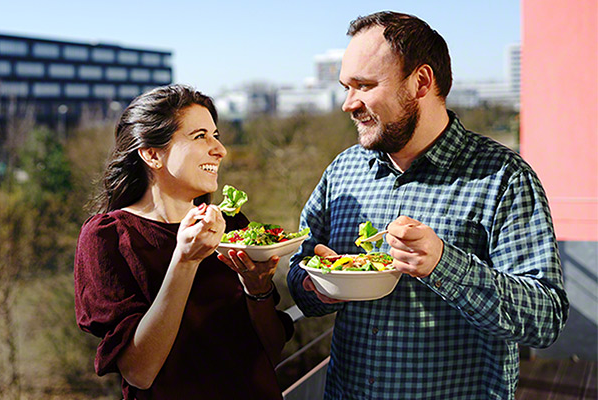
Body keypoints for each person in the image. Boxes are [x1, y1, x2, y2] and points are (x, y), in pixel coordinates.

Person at [287, 11, 569, 400]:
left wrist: (443, 263)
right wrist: (320, 286)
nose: (349, 104)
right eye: (346, 87)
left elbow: (545, 318)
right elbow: (298, 270)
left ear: (421, 82)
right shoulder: (342, 171)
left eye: (364, 85)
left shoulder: (504, 177)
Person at [74, 84, 293, 400]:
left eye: (215, 134)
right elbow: (139, 372)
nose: (220, 149)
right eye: (200, 136)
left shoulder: (231, 226)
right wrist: (185, 261)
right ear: (152, 154)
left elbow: (270, 350)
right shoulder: (107, 237)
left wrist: (257, 290)